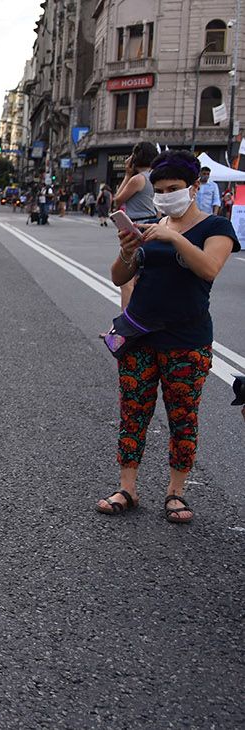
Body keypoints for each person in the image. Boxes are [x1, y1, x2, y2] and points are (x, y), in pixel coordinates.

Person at [99, 149, 240, 524]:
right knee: (133, 414)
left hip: (186, 341)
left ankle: (175, 493)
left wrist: (173, 238)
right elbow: (119, 277)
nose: (165, 196)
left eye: (173, 188)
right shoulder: (153, 224)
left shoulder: (216, 228)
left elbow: (209, 269)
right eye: (160, 190)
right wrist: (127, 251)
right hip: (139, 336)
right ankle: (127, 487)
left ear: (195, 187)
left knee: (182, 417)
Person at [114, 141, 159, 307]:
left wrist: (127, 174)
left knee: (126, 280)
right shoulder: (154, 177)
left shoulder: (138, 179)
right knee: (140, 276)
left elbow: (117, 200)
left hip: (137, 226)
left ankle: (125, 326)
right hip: (152, 223)